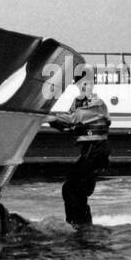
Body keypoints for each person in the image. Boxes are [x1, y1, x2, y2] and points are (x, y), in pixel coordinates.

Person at [48, 74, 111, 225]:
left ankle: (78, 225)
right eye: (81, 86)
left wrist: (51, 118)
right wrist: (54, 123)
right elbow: (71, 125)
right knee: (75, 190)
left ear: (92, 86)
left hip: (97, 151)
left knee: (71, 189)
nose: (84, 89)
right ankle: (81, 225)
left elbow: (75, 118)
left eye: (87, 85)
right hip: (90, 151)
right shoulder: (79, 103)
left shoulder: (97, 103)